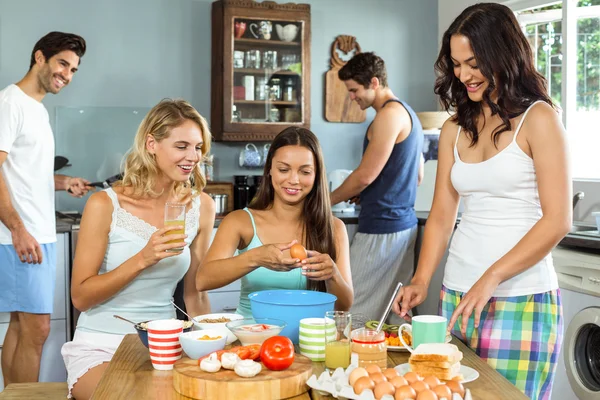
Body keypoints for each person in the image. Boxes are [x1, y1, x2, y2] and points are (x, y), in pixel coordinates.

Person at [392, 4, 570, 399]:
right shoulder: (456, 125)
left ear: (503, 55)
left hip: (520, 297)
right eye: (456, 65)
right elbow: (441, 215)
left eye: (473, 63)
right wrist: (422, 279)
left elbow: (558, 219)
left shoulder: (539, 119)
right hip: (458, 294)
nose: (463, 75)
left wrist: (491, 277)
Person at [61, 99, 215, 400]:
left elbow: (196, 293)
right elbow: (80, 297)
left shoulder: (201, 206)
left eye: (198, 147)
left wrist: (208, 345)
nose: (192, 156)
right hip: (102, 345)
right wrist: (143, 258)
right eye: (181, 146)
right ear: (152, 144)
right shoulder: (105, 204)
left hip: (168, 343)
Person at [0, 31, 91, 386]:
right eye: (62, 64)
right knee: (36, 329)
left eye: (73, 69)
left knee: (22, 326)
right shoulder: (10, 103)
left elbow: (24, 171)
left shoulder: (36, 109)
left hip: (37, 233)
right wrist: (19, 231)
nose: (66, 75)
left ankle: (11, 396)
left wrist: (64, 182)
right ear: (40, 58)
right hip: (22, 236)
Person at [197, 127, 353, 316]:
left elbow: (344, 306)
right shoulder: (240, 221)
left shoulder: (334, 227)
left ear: (316, 174)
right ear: (270, 169)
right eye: (284, 169)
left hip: (310, 338)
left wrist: (332, 275)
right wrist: (255, 257)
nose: (294, 180)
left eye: (305, 172)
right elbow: (203, 280)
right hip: (251, 339)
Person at [331, 52, 424, 324]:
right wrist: (374, 190)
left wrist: (326, 200)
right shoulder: (407, 113)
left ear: (374, 82)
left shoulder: (388, 116)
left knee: (349, 306)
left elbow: (364, 176)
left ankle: (345, 366)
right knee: (393, 313)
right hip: (402, 227)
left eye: (354, 90)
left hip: (383, 228)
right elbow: (416, 176)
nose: (352, 97)